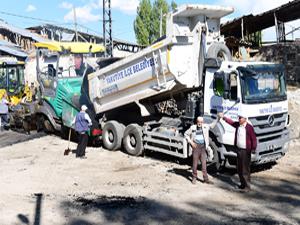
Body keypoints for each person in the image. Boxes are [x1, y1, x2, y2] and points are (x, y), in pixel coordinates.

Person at [218, 112, 257, 192]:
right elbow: (231, 122)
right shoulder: (238, 125)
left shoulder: (249, 128)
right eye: (239, 118)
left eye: (240, 118)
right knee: (239, 168)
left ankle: (247, 186)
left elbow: (253, 139)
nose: (239, 119)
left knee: (245, 169)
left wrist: (253, 148)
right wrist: (224, 118)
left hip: (246, 151)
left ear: (245, 119)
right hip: (239, 150)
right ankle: (242, 184)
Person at [184, 116, 219, 184]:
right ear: (196, 122)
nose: (199, 123)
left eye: (201, 122)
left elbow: (212, 125)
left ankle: (206, 179)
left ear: (203, 122)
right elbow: (186, 134)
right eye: (198, 122)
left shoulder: (205, 127)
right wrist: (191, 142)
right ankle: (194, 178)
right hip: (196, 147)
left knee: (204, 164)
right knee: (195, 164)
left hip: (203, 147)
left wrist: (218, 118)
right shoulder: (193, 128)